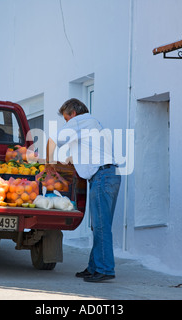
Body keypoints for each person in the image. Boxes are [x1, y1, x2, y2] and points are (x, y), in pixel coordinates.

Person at [46, 98, 121, 282]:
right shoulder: (92, 122)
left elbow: (52, 140)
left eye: (66, 119)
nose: (67, 123)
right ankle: (94, 267)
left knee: (101, 225)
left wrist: (48, 163)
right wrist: (74, 158)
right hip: (109, 174)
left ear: (73, 113)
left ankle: (105, 269)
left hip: (102, 177)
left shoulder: (79, 121)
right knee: (99, 225)